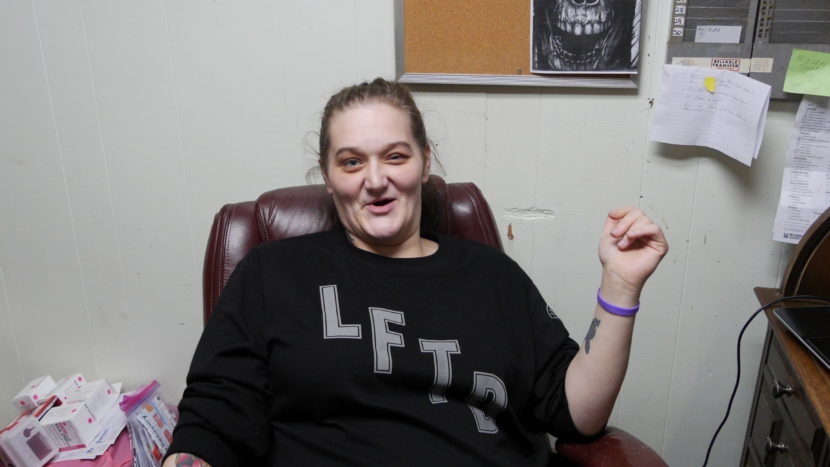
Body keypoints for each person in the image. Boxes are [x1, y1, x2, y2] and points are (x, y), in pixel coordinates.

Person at [163, 78, 668, 466]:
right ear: (327, 175)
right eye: (352, 162)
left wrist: (620, 285)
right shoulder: (273, 274)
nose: (376, 180)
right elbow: (215, 416)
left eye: (396, 156)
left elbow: (576, 414)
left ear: (425, 163)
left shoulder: (493, 276)